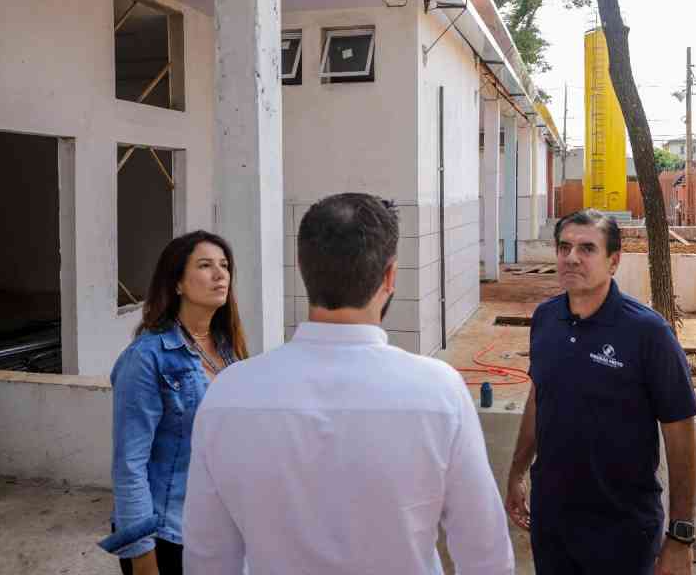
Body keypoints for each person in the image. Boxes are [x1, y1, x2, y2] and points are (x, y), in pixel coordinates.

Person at [182, 193, 514, 574]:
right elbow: (484, 551)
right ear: (389, 277)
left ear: (303, 269)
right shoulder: (438, 391)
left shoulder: (229, 392)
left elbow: (208, 555)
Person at [506, 209, 696, 575]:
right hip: (553, 521)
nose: (571, 258)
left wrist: (680, 536)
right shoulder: (545, 319)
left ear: (614, 261)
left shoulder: (648, 333)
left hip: (622, 529)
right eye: (564, 247)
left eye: (587, 249)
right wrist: (517, 472)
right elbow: (539, 398)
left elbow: (681, 435)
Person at [98, 231, 248, 575]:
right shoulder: (146, 358)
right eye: (206, 265)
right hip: (168, 534)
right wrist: (142, 556)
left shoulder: (228, 347)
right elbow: (129, 466)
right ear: (178, 283)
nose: (220, 274)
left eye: (224, 266)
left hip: (220, 525)